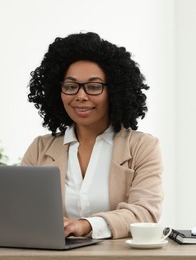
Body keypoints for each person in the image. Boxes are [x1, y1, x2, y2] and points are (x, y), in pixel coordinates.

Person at [21, 32, 163, 239]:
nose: (80, 96)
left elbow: (146, 212)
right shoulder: (40, 148)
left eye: (94, 87)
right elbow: (21, 209)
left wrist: (87, 225)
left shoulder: (143, 146)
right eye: (70, 86)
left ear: (114, 91)